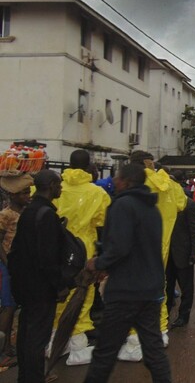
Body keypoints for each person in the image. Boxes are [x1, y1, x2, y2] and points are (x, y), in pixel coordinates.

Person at [83, 164, 171, 383]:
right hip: (151, 290)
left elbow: (119, 248)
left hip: (125, 291)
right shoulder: (153, 209)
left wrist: (98, 263)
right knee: (154, 351)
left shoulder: (122, 206)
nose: (114, 181)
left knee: (105, 352)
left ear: (127, 181)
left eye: (117, 178)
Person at [51, 149, 111, 365]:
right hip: (83, 249)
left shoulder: (57, 187)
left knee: (59, 292)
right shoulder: (97, 194)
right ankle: (77, 343)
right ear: (88, 166)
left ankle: (55, 339)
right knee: (82, 294)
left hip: (57, 249)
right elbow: (103, 223)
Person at [127, 151, 186, 356]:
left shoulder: (131, 184)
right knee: (157, 288)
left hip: (134, 249)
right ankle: (159, 332)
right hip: (160, 247)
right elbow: (182, 204)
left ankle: (136, 338)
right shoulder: (171, 185)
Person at [9, 170, 67, 383]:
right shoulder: (46, 215)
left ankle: (26, 376)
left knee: (26, 333)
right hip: (41, 287)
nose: (61, 188)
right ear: (51, 185)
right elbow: (48, 257)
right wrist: (59, 285)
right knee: (36, 337)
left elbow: (17, 251)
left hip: (26, 284)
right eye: (59, 184)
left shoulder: (29, 211)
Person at [0, 174, 33, 367]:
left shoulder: (26, 212)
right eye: (24, 193)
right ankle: (3, 350)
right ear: (13, 196)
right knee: (9, 306)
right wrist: (8, 263)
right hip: (7, 265)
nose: (28, 196)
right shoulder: (5, 215)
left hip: (19, 264)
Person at [166, 190, 195, 328]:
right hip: (167, 253)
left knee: (186, 288)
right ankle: (166, 314)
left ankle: (183, 316)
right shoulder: (164, 203)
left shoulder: (189, 204)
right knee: (167, 286)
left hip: (184, 253)